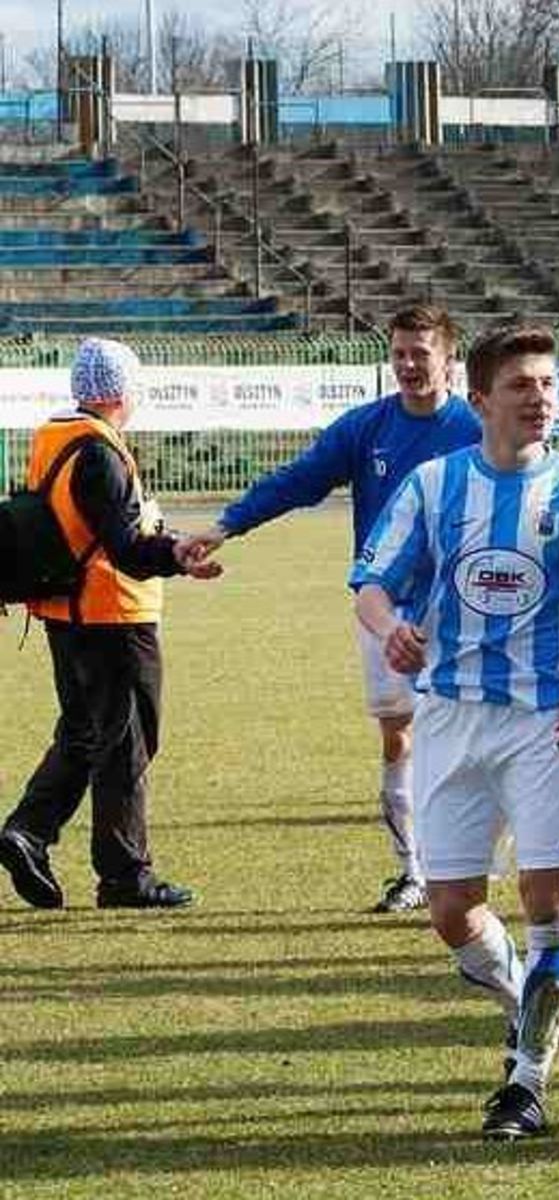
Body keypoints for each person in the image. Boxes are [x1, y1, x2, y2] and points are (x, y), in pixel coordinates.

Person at [350, 324, 559, 1140]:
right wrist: (390, 628)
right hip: (451, 716)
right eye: (522, 385)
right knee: (452, 909)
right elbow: (372, 583)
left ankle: (527, 1083)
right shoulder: (431, 486)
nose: (540, 398)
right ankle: (526, 996)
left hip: (546, 720)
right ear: (480, 398)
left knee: (544, 896)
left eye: (549, 385)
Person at [191, 305, 479, 914]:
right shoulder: (366, 427)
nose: (407, 365)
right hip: (384, 608)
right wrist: (226, 526)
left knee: (464, 736)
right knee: (399, 735)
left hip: (463, 610)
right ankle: (415, 872)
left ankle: (462, 862)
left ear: (449, 359)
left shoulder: (476, 429)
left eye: (420, 353)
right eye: (399, 353)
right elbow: (298, 480)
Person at [0, 338, 222, 912]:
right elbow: (124, 548)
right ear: (123, 389)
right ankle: (125, 876)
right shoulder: (100, 450)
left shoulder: (54, 435)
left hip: (64, 612)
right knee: (126, 741)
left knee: (83, 732)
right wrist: (177, 555)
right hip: (112, 613)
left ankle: (28, 832)